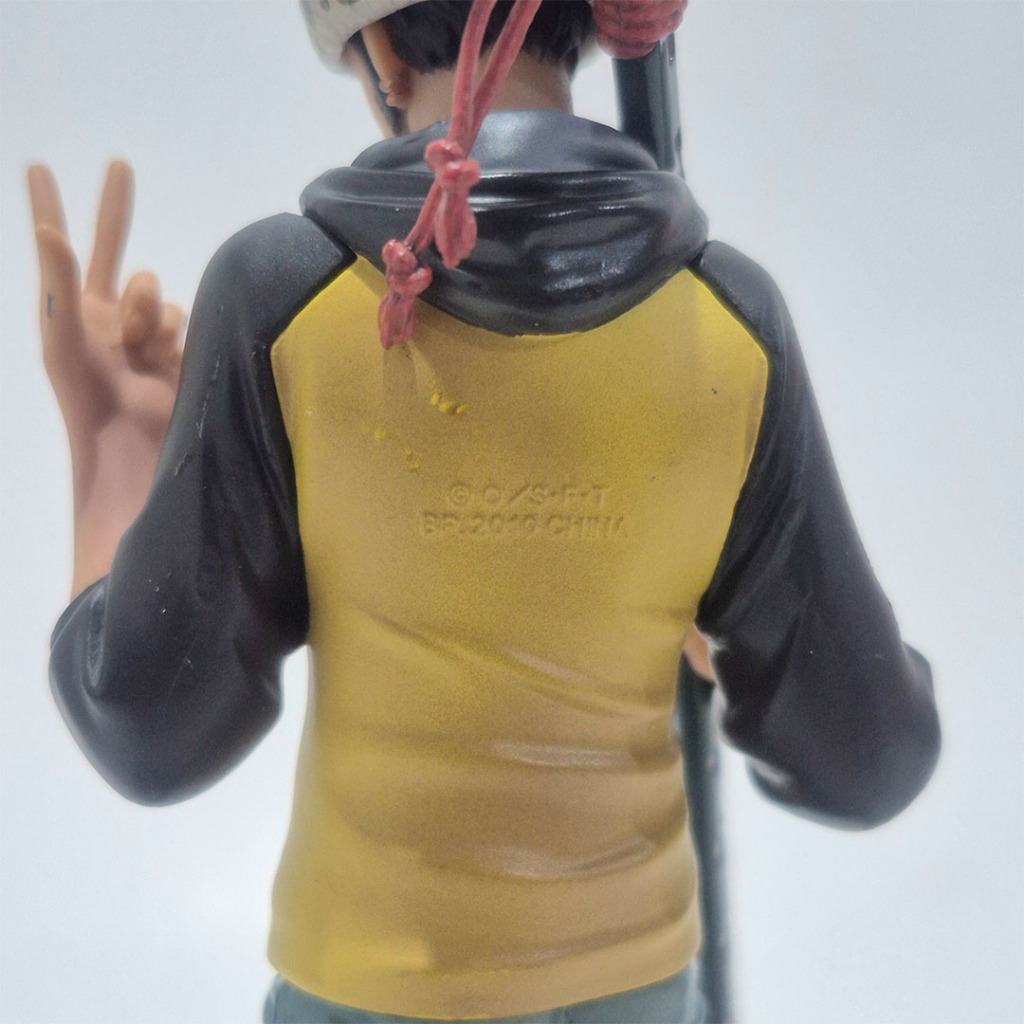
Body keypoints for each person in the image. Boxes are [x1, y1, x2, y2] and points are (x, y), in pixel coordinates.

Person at [32, 2, 940, 1022]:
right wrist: (716, 614)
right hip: (639, 988)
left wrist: (113, 457)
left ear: (380, 52)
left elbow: (151, 722)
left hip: (371, 985)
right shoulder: (731, 323)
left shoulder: (284, 301)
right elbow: (868, 752)